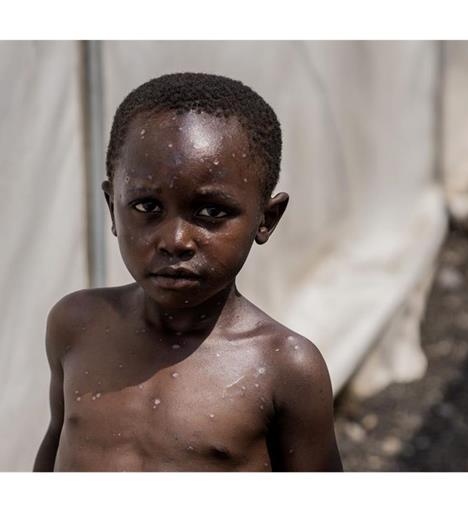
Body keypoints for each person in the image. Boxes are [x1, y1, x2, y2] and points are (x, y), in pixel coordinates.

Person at [34, 72, 342, 471]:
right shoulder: (76, 325)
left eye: (212, 212)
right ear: (113, 207)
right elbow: (56, 442)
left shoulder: (284, 367)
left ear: (266, 219)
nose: (176, 240)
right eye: (146, 207)